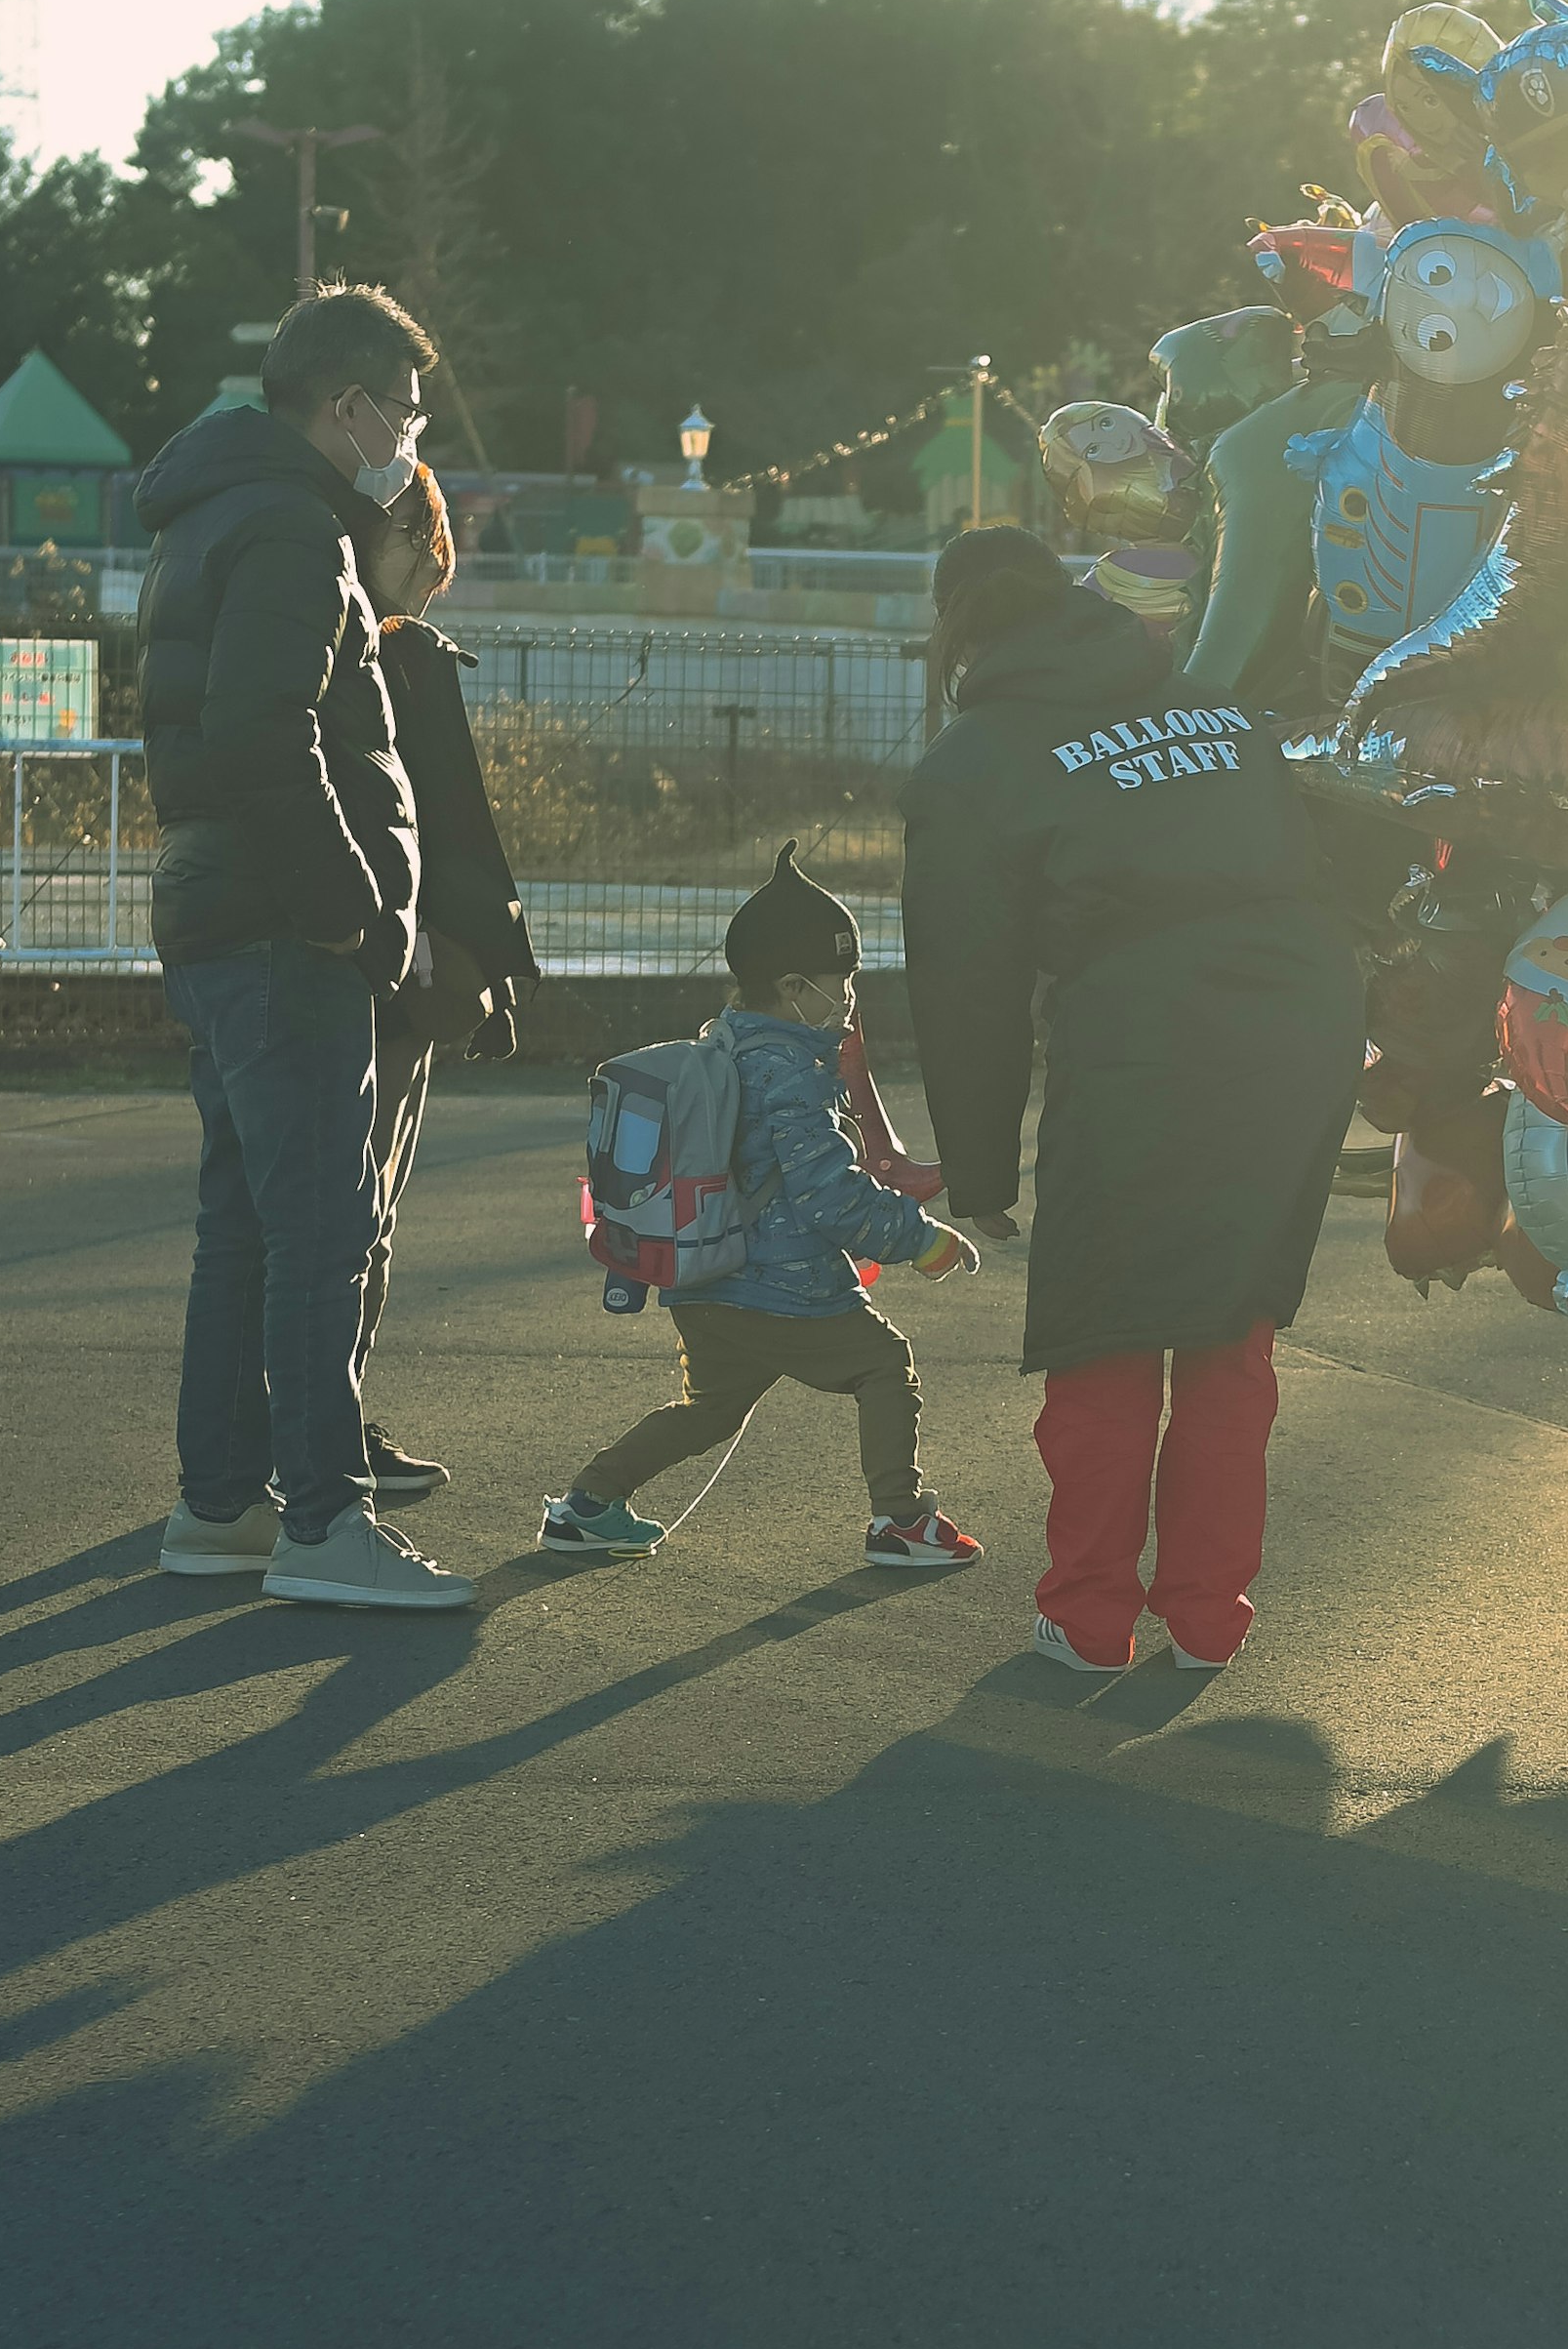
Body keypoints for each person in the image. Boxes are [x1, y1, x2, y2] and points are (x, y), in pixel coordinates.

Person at [902, 522, 1366, 1672]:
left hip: (1149, 1035)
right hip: (1302, 1018)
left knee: (1108, 1331)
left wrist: (979, 1177)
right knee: (1228, 1326)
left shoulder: (976, 759)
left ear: (956, 633)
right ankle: (1209, 1619)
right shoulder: (1210, 702)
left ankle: (1087, 1615)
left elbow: (968, 984)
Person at [139, 282, 469, 1615]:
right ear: (345, 406)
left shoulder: (210, 512)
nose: (407, 440)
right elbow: (268, 736)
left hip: (218, 916)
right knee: (320, 1233)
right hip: (288, 935)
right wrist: (354, 910)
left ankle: (219, 1503)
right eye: (401, 412)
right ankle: (323, 1523)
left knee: (246, 1230)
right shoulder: (292, 528)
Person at [540, 849, 985, 1569]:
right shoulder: (791, 1074)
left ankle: (589, 1503)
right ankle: (900, 1519)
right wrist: (922, 1240)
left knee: (710, 1408)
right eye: (841, 982)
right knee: (882, 1366)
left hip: (706, 1276)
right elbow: (827, 1192)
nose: (847, 998)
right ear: (793, 984)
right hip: (786, 1285)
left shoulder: (725, 1043)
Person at [349, 459, 540, 1502]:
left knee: (294, 1222)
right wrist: (489, 965)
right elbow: (459, 832)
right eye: (428, 555)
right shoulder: (402, 661)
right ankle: (327, 1429)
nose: (434, 578)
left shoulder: (316, 645)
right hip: (396, 969)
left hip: (328, 956)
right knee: (362, 1215)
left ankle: (275, 1435)